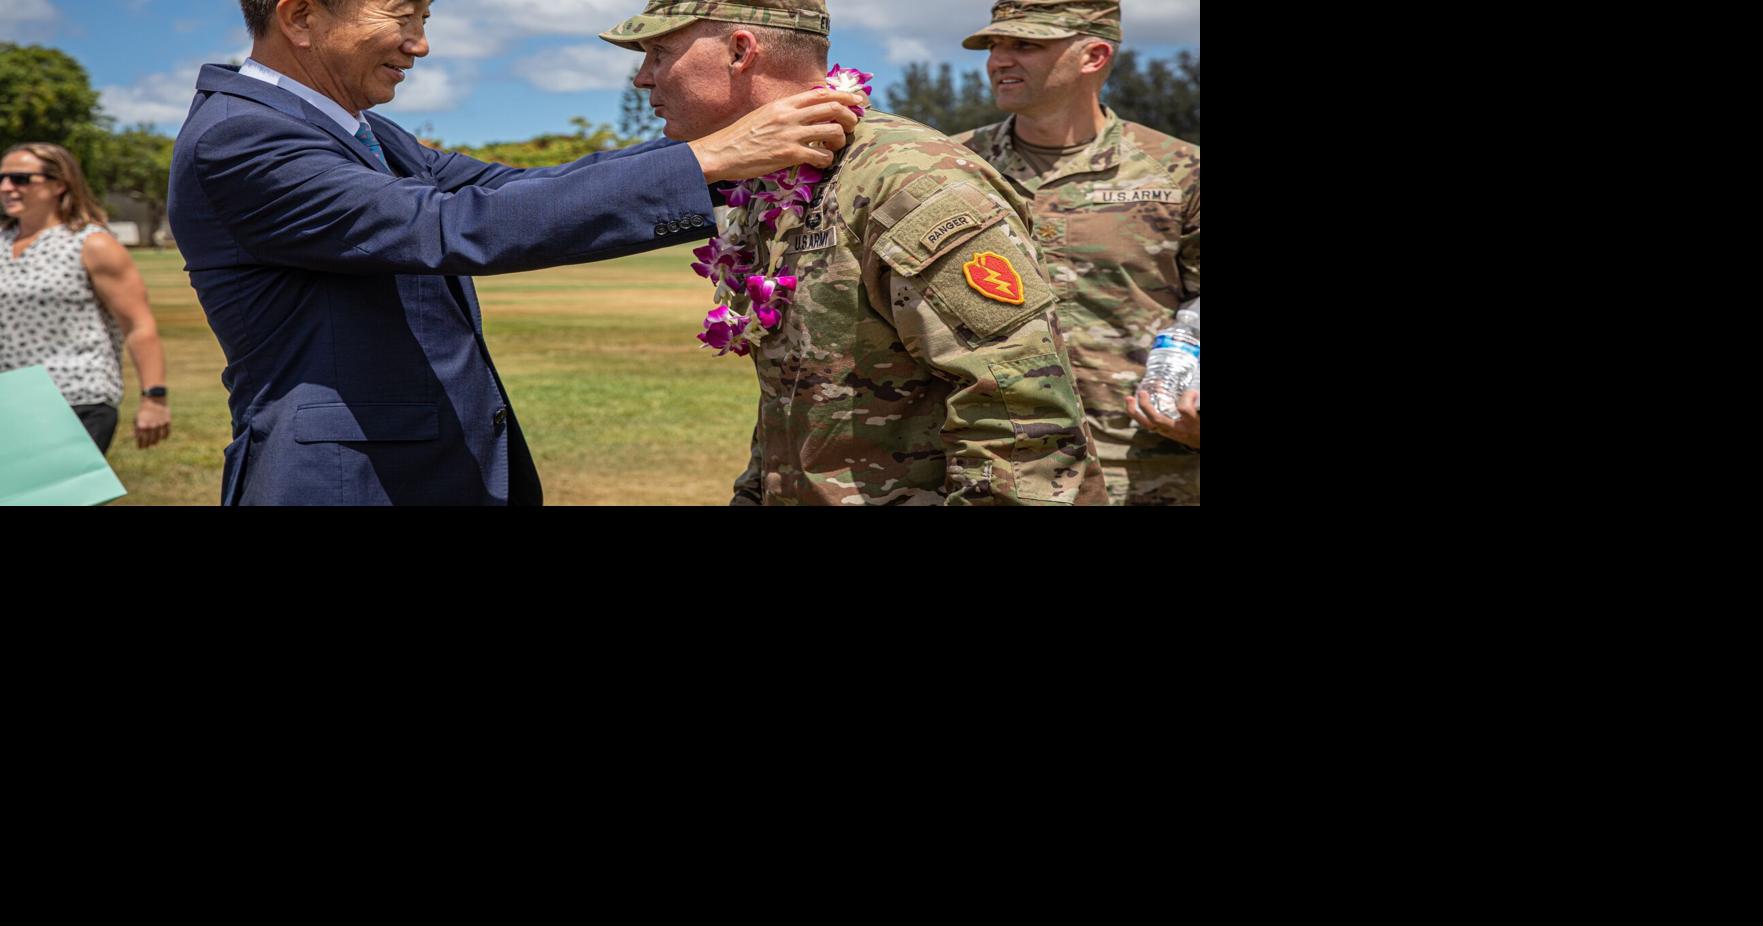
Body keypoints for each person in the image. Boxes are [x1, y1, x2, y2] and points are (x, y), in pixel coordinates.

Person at [169, 0, 861, 505]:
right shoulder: (242, 137)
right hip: (349, 483)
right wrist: (706, 159)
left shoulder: (360, 130)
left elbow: (511, 189)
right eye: (402, 15)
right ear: (299, 18)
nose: (419, 45)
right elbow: (447, 227)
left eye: (426, 20)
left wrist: (713, 150)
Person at [601, 0, 1108, 506]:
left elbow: (1021, 410)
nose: (643, 78)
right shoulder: (776, 178)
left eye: (660, 53)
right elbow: (801, 395)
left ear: (740, 51)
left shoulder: (907, 180)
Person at [952, 0, 1201, 505]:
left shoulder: (1178, 171)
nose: (999, 60)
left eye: (1025, 45)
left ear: (1094, 56)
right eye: (994, 45)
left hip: (1142, 471)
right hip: (989, 470)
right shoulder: (950, 169)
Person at [1, 143, 171, 454]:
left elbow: (138, 324)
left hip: (76, 399)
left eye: (20, 179)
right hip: (10, 403)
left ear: (59, 184)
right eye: (2, 179)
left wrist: (154, 397)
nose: (6, 187)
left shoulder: (92, 244)